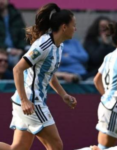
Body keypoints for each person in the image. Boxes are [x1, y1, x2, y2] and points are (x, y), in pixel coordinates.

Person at [0, 3, 77, 150]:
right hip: (31, 102)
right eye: (74, 25)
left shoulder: (59, 45)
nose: (76, 28)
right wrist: (24, 101)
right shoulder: (43, 45)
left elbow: (49, 73)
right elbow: (17, 69)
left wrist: (63, 94)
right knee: (56, 146)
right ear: (64, 27)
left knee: (18, 148)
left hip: (28, 101)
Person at [0, 0, 28, 68]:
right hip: (2, 52)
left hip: (17, 52)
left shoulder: (16, 15)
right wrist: (7, 50)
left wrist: (21, 49)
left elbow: (23, 35)